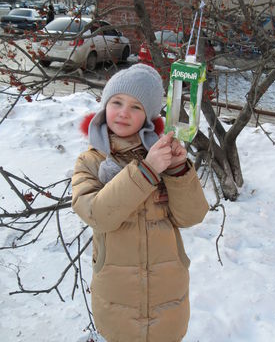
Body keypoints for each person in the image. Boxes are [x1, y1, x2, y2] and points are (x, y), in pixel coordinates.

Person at [72, 63, 209, 342]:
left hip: (167, 295)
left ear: (148, 116)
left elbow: (191, 216)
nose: (123, 112)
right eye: (117, 102)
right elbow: (98, 214)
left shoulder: (163, 155)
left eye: (136, 107)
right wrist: (146, 171)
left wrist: (177, 170)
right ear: (104, 105)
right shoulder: (90, 161)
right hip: (117, 295)